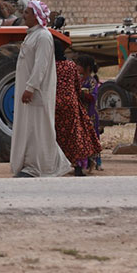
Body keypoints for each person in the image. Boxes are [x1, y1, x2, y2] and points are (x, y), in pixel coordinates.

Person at [10, 0, 71, 178]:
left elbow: (41, 66)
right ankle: (42, 165)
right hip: (29, 91)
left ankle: (40, 168)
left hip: (37, 92)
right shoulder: (32, 35)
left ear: (36, 16)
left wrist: (31, 87)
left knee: (38, 129)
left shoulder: (43, 37)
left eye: (27, 13)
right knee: (30, 129)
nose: (24, 15)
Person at [54, 42, 102, 177]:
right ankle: (78, 165)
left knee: (57, 136)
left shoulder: (51, 66)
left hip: (55, 105)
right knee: (75, 136)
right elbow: (76, 86)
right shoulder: (70, 66)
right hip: (71, 105)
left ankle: (59, 164)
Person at [75, 54, 104, 171]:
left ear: (87, 68)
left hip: (90, 114)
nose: (77, 67)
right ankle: (85, 161)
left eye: (80, 65)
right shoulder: (79, 80)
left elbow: (93, 97)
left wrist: (82, 94)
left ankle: (97, 161)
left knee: (93, 137)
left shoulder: (92, 82)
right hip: (81, 113)